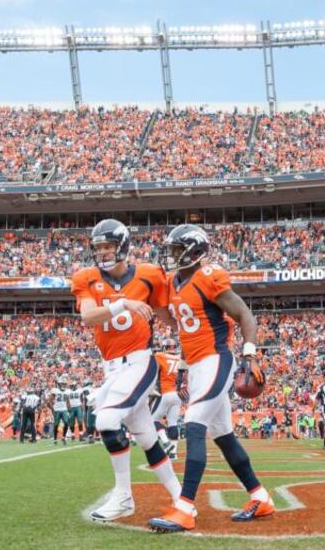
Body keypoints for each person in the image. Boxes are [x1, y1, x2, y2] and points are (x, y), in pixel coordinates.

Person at [149, 224, 274, 533]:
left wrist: (250, 354)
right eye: (172, 250)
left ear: (195, 252)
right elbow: (175, 323)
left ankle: (185, 507)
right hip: (196, 364)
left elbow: (245, 314)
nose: (173, 255)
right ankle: (260, 496)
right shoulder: (173, 282)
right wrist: (182, 369)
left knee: (193, 425)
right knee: (222, 435)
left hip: (217, 359)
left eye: (178, 250)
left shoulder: (209, 277)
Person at [71, 219, 183, 522]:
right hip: (112, 369)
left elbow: (165, 315)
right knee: (146, 436)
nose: (103, 252)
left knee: (107, 419)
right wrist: (125, 304)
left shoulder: (148, 275)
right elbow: (89, 317)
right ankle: (180, 497)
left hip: (139, 361)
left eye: (108, 246)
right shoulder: (86, 278)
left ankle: (123, 497)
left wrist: (189, 333)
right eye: (99, 248)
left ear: (122, 246)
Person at [150, 348, 184, 459]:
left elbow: (152, 370)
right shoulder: (180, 358)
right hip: (178, 394)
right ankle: (173, 453)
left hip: (166, 392)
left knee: (153, 420)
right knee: (172, 422)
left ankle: (166, 443)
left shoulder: (161, 356)